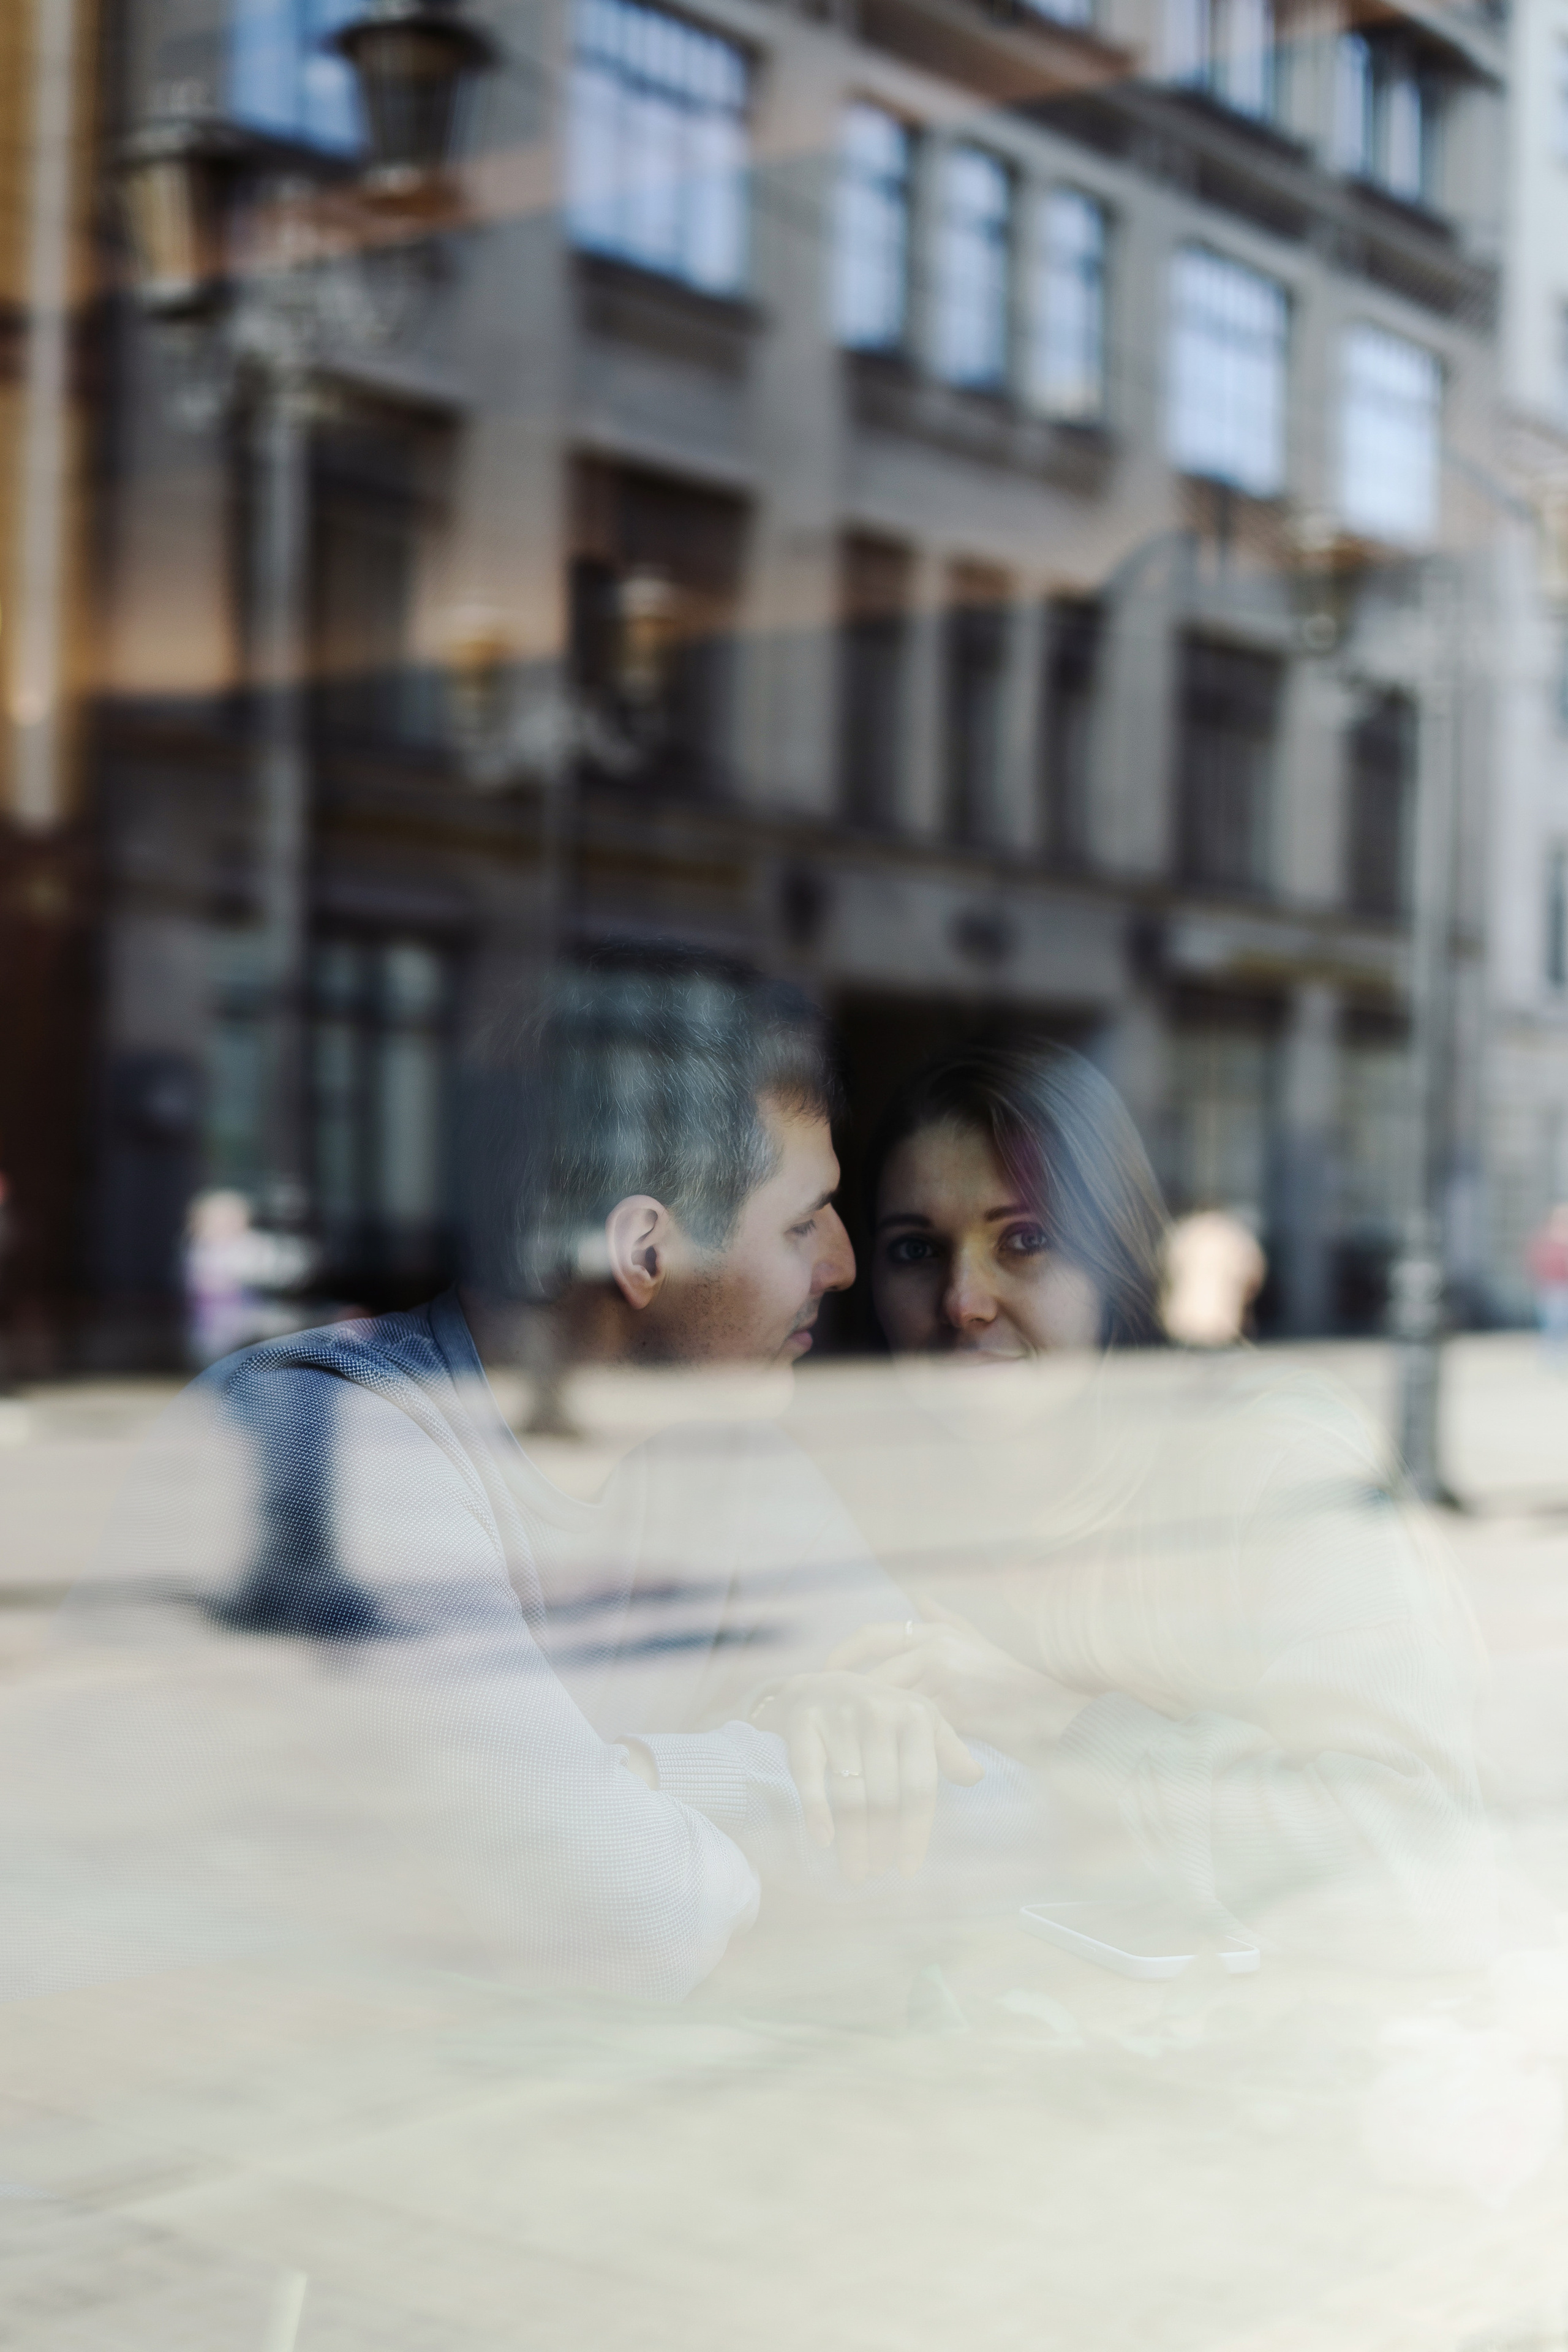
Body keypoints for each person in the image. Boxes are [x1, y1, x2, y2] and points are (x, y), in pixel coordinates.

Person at [88, 951, 986, 2007]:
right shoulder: (325, 1439)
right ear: (645, 1253)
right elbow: (614, 1917)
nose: (841, 1264)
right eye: (803, 1222)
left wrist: (632, 1786)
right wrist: (760, 1761)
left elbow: (978, 1800)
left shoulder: (725, 1444)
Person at [824, 1040, 1494, 1970]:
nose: (965, 1297)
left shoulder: (1271, 1466)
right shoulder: (869, 1491)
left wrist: (1061, 1723)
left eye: (1025, 1239)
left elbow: (1400, 1858)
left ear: (1113, 1248)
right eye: (915, 1250)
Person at [1526, 1202, 1568, 1357]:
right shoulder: (1546, 1239)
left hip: (1564, 1286)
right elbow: (1536, 1261)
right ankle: (1550, 1354)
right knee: (1552, 1322)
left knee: (1563, 1322)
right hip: (1550, 1287)